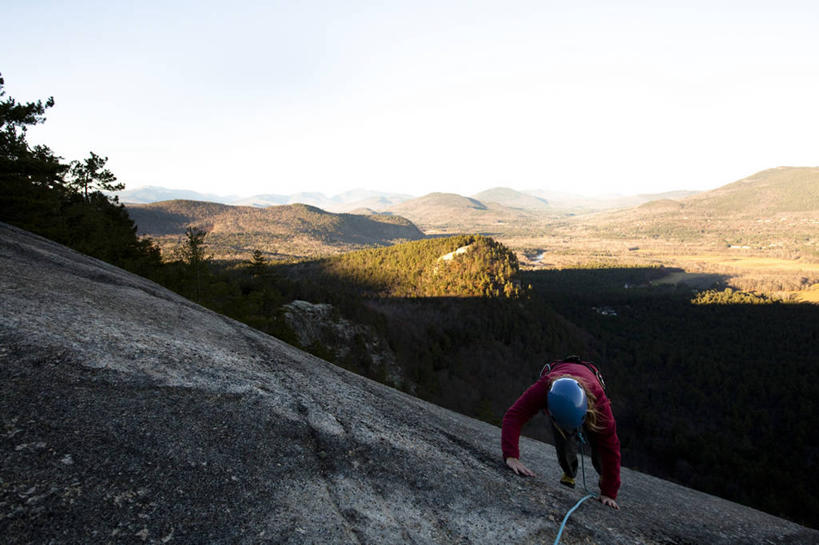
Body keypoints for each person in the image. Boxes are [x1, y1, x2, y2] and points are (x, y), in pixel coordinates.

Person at [501, 356, 621, 510]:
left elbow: (610, 446)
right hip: (561, 390)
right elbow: (514, 416)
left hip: (589, 394)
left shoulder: (600, 403)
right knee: (564, 439)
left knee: (599, 444)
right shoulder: (543, 389)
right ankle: (569, 472)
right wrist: (511, 456)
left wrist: (609, 492)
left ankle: (602, 476)